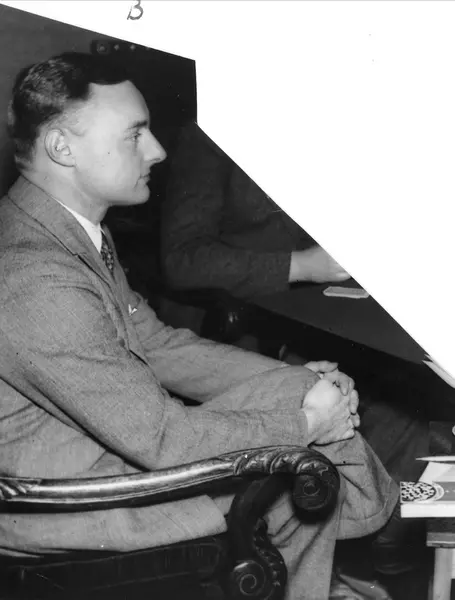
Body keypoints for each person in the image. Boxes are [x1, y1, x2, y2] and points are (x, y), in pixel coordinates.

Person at [0, 52, 402, 600]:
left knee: (300, 398)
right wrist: (307, 423)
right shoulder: (36, 275)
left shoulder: (64, 229)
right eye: (135, 134)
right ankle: (372, 536)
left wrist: (302, 385)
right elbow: (162, 440)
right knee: (302, 465)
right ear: (62, 148)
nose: (157, 150)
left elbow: (156, 344)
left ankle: (349, 548)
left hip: (93, 457)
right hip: (71, 500)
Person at [159, 121, 351, 336]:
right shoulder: (207, 138)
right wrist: (299, 266)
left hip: (331, 310)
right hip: (239, 322)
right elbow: (181, 261)